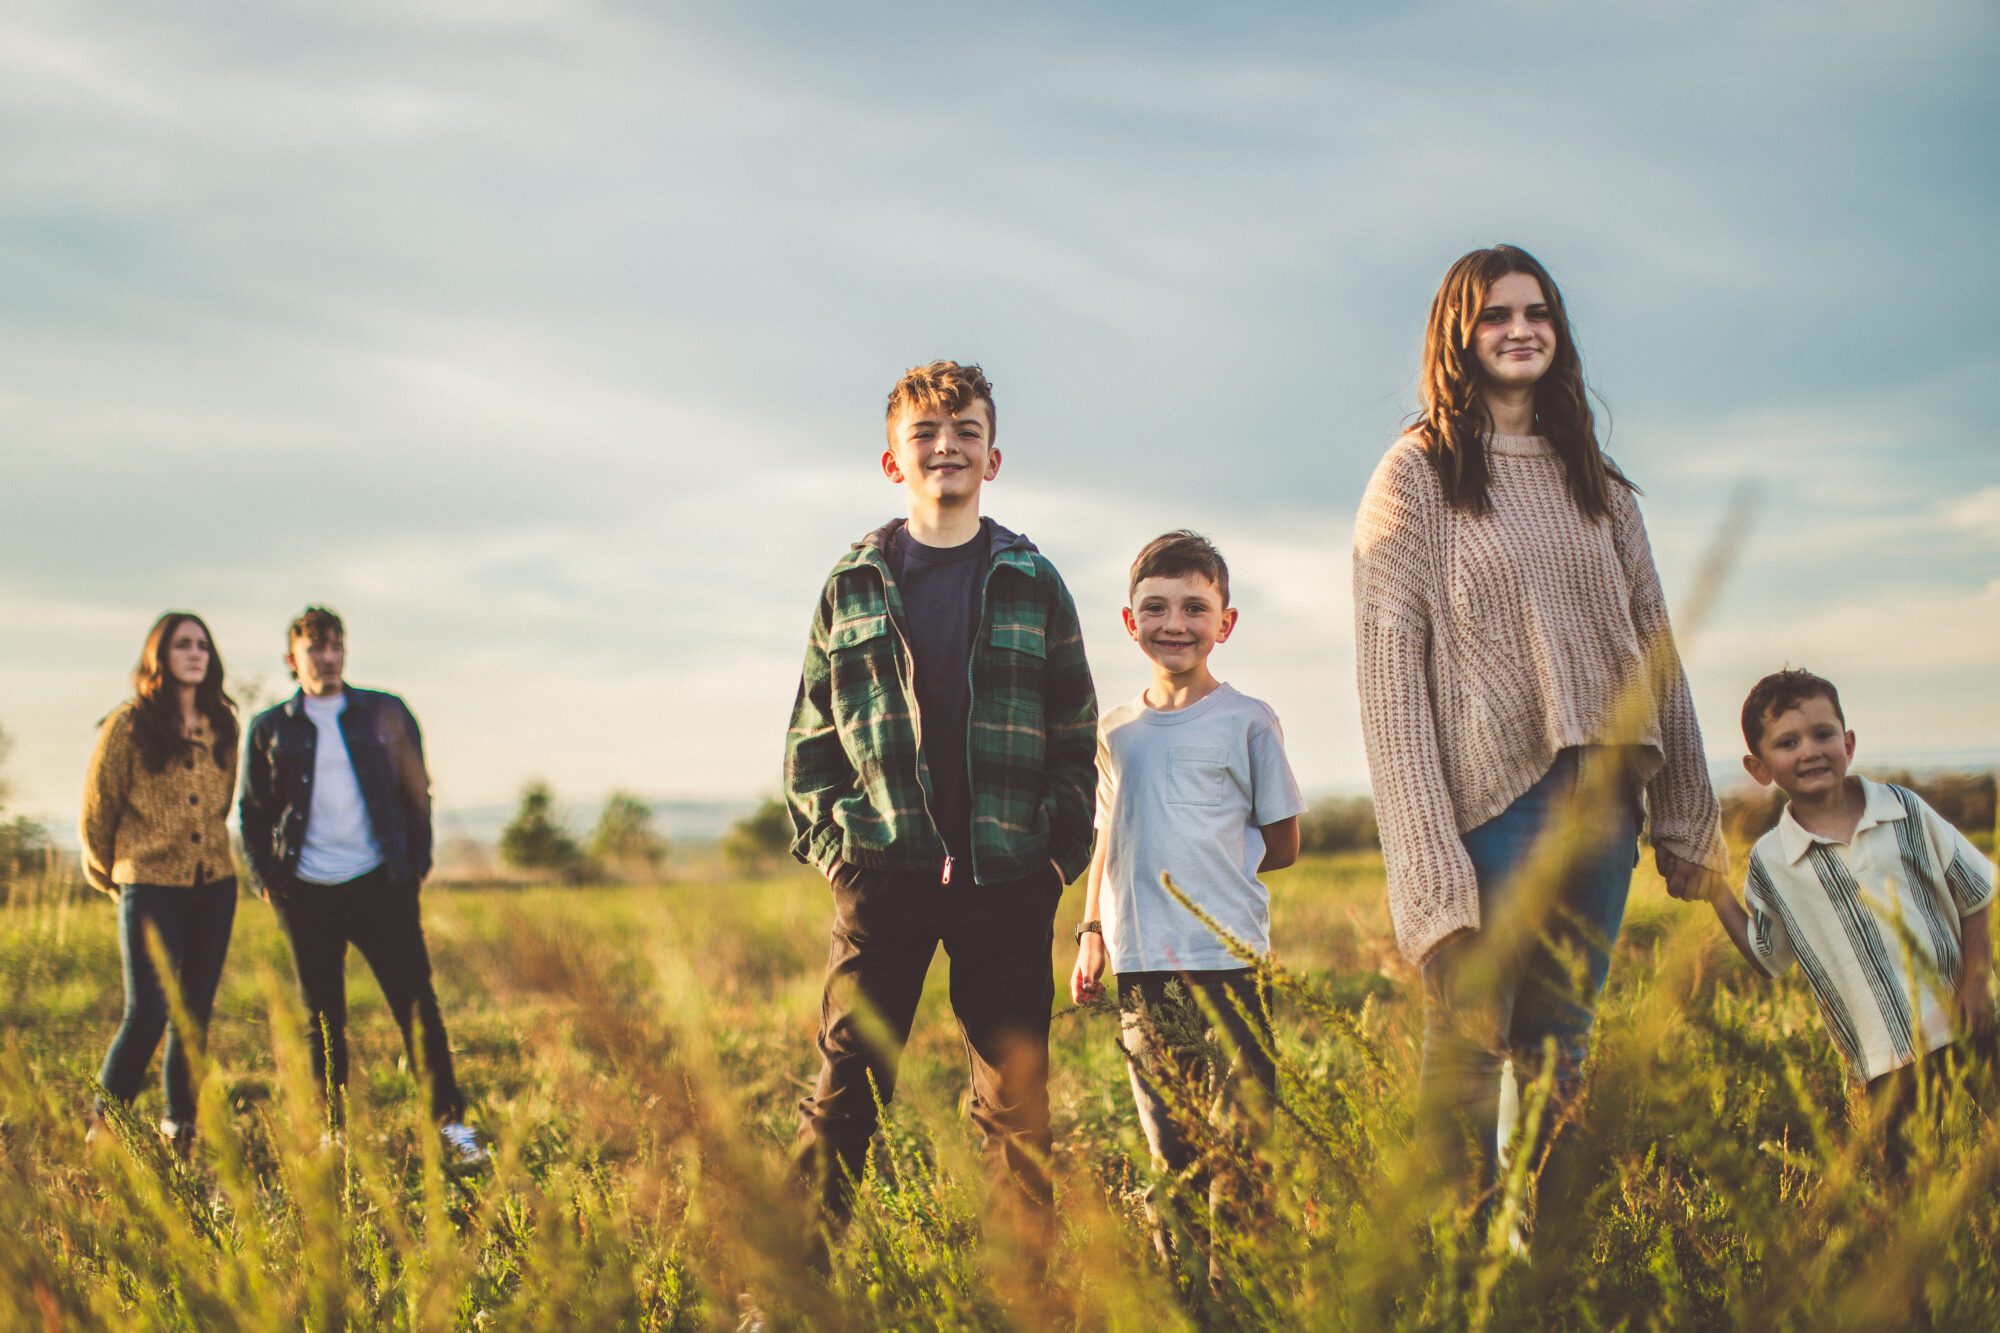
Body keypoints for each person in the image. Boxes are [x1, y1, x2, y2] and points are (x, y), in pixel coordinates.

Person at [1351, 245, 1729, 1223]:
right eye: (1493, 315)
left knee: (1564, 1046)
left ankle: (1548, 1272)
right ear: (1456, 335)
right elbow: (1389, 691)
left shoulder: (1596, 482)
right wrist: (1430, 884)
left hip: (1605, 802)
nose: (1518, 329)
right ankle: (1458, 1267)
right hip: (1492, 806)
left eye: (1536, 312)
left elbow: (1654, 648)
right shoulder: (1415, 477)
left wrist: (1690, 812)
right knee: (1470, 1043)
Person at [784, 360, 1097, 1245]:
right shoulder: (853, 582)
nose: (946, 446)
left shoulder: (1032, 580)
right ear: (893, 461)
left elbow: (1075, 731)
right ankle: (788, 1285)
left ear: (993, 458)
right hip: (886, 870)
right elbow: (811, 734)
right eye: (925, 432)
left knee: (1014, 1102)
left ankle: (1021, 1292)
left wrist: (1052, 855)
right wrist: (838, 850)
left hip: (1007, 875)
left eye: (966, 431)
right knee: (849, 1085)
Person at [1068, 530, 1304, 1281]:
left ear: (1224, 623)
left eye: (1194, 607)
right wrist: (1091, 930)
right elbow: (1107, 834)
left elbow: (1285, 840)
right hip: (1144, 969)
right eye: (1156, 607)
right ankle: (1182, 1298)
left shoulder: (1248, 720)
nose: (1175, 623)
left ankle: (1243, 1292)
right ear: (1129, 620)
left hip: (1229, 962)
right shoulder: (1113, 732)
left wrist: (1213, 876)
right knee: (1172, 1149)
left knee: (1242, 1150)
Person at [1707, 669, 1995, 1178]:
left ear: (1848, 742)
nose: (1810, 751)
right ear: (1759, 767)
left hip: (1967, 1021)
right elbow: (1767, 956)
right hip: (1883, 1055)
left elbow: (1971, 890)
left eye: (1823, 734)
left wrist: (1976, 980)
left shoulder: (1903, 809)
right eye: (1787, 742)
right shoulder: (1771, 862)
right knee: (1910, 1187)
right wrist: (1716, 893)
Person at [238, 606, 485, 1164]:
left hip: (381, 885)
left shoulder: (385, 712)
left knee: (417, 1006)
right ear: (291, 659)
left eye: (335, 647)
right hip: (305, 892)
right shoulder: (271, 729)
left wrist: (414, 864)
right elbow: (252, 813)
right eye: (314, 649)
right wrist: (268, 879)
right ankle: (336, 1133)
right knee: (322, 1018)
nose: (327, 658)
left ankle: (450, 1126)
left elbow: (416, 790)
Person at [82, 613, 240, 1155]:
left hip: (215, 884)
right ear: (159, 656)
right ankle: (103, 1131)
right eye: (181, 645)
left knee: (193, 1014)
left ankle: (180, 1129)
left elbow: (223, 802)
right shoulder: (128, 724)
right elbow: (97, 811)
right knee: (146, 1010)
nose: (194, 653)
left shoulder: (223, 724)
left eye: (202, 645)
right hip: (147, 883)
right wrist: (116, 878)